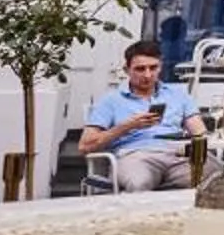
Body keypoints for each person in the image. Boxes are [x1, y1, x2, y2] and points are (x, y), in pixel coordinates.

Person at [80, 41, 207, 192]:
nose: (148, 75)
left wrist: (195, 144)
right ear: (127, 70)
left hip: (179, 156)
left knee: (220, 176)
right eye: (140, 69)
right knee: (139, 182)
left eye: (153, 68)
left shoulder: (178, 95)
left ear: (160, 67)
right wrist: (127, 126)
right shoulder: (111, 101)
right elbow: (85, 146)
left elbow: (199, 133)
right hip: (136, 155)